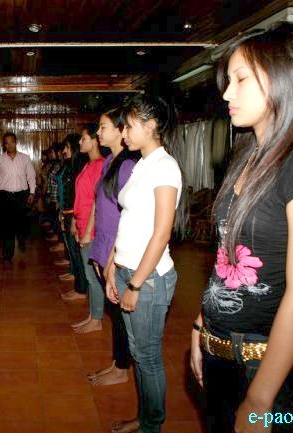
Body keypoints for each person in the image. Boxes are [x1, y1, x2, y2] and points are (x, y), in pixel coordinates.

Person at [190, 22, 293, 433]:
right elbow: (225, 258)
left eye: (241, 79)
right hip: (220, 355)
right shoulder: (247, 154)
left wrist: (260, 399)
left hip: (268, 370)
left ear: (291, 74)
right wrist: (201, 325)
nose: (226, 93)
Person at [106, 92, 186, 433]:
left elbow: (161, 232)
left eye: (128, 126)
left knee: (148, 357)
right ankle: (144, 418)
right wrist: (113, 265)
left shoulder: (165, 167)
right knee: (138, 353)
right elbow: (128, 220)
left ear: (151, 125)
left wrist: (135, 285)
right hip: (127, 269)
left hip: (149, 278)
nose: (123, 133)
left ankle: (152, 425)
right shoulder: (141, 164)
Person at [87, 108, 139, 386]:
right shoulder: (110, 160)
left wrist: (112, 258)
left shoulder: (128, 165)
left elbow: (127, 217)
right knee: (114, 310)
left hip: (117, 245)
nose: (99, 132)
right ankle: (117, 362)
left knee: (120, 313)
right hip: (104, 240)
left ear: (121, 130)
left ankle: (121, 368)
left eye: (103, 127)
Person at [70, 124, 106, 334]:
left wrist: (86, 232)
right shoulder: (89, 164)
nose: (80, 142)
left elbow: (96, 202)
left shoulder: (100, 165)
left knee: (93, 277)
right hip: (83, 224)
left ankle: (97, 319)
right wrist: (76, 222)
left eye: (83, 139)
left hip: (91, 229)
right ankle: (92, 316)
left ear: (94, 141)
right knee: (89, 274)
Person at [0, 132, 36, 262]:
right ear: (4, 145)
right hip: (5, 195)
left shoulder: (25, 158)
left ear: (16, 143)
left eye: (12, 142)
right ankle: (8, 255)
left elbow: (31, 176)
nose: (9, 145)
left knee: (21, 223)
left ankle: (21, 239)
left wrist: (32, 192)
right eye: (6, 143)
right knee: (6, 225)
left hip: (22, 195)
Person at [57, 134, 88, 301]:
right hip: (68, 212)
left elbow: (79, 196)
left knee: (77, 253)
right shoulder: (70, 165)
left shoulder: (80, 166)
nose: (64, 151)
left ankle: (81, 289)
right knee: (73, 251)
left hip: (75, 214)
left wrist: (74, 217)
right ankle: (78, 281)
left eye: (67, 147)